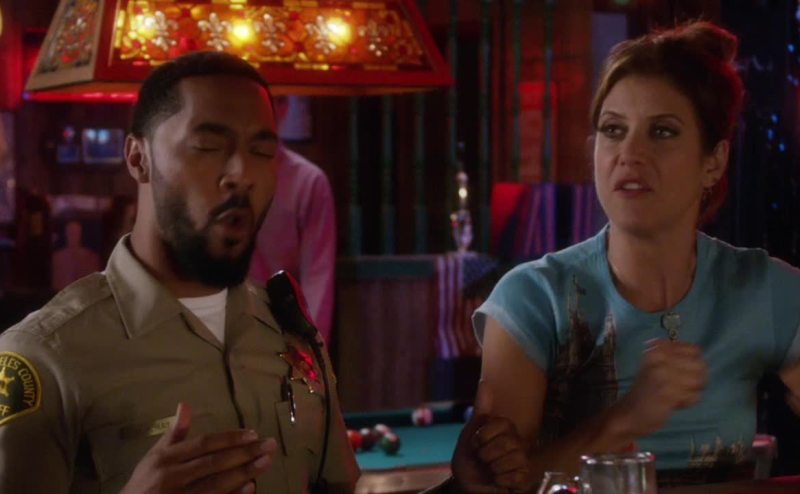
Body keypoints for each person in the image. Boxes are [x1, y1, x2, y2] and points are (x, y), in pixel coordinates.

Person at [450, 21, 800, 491]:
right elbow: (499, 485)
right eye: (614, 130)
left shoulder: (761, 288)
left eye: (662, 131)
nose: (630, 153)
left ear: (713, 162)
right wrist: (626, 417)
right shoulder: (533, 298)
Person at [0, 51, 359, 493]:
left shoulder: (293, 335)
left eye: (262, 151)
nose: (241, 174)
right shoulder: (45, 358)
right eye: (208, 147)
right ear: (138, 157)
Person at [249, 136, 336, 343]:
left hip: (284, 331)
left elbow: (318, 281)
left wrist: (311, 346)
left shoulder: (307, 181)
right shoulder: (216, 175)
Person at [51, 219, 101, 291]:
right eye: (70, 233)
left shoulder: (91, 257)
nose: (73, 236)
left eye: (75, 233)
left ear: (80, 234)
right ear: (66, 234)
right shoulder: (57, 257)